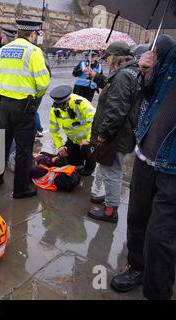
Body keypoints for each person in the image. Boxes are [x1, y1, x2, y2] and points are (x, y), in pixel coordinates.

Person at [110, 35, 176, 300]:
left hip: (173, 168)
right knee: (136, 219)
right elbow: (151, 94)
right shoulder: (170, 52)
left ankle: (157, 292)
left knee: (161, 236)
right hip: (146, 154)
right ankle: (137, 267)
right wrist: (148, 74)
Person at [0, 19, 51, 198]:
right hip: (23, 107)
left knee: (1, 145)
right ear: (32, 34)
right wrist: (35, 94)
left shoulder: (3, 50)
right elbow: (43, 82)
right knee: (24, 149)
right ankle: (21, 189)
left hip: (3, 105)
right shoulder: (34, 51)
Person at [86, 41, 142, 223]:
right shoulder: (130, 72)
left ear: (116, 57)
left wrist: (104, 133)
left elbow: (116, 109)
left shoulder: (123, 76)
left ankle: (110, 210)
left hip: (116, 134)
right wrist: (97, 77)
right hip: (123, 133)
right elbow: (115, 90)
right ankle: (112, 198)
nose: (107, 61)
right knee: (112, 170)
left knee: (111, 170)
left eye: (108, 57)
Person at [49, 85, 96, 176]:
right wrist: (60, 147)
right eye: (58, 105)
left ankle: (90, 166)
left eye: (63, 104)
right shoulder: (55, 109)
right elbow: (53, 130)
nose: (61, 108)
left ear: (69, 99)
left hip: (87, 139)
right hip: (73, 140)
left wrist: (89, 140)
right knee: (74, 166)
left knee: (88, 168)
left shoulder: (81, 103)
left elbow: (95, 122)